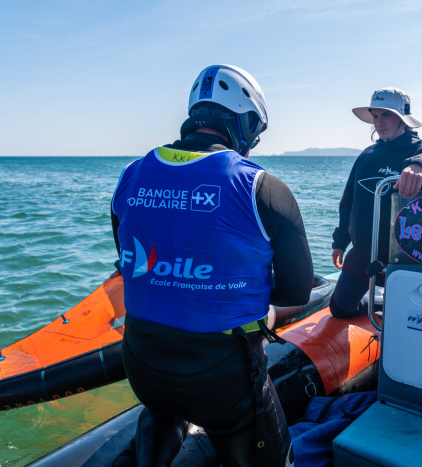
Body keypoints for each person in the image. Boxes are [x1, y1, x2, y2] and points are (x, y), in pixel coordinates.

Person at [111, 64, 313, 466]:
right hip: (224, 378)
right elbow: (297, 290)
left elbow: (133, 264)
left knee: (161, 408)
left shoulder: (130, 176)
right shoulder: (261, 186)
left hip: (142, 364)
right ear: (244, 122)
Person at [330, 87, 422, 319]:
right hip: (363, 253)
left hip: (403, 257)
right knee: (339, 310)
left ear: (403, 118)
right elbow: (347, 201)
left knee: (406, 316)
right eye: (375, 116)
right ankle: (378, 303)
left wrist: (419, 165)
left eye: (386, 115)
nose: (379, 122)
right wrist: (340, 242)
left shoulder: (419, 149)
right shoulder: (367, 154)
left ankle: (390, 304)